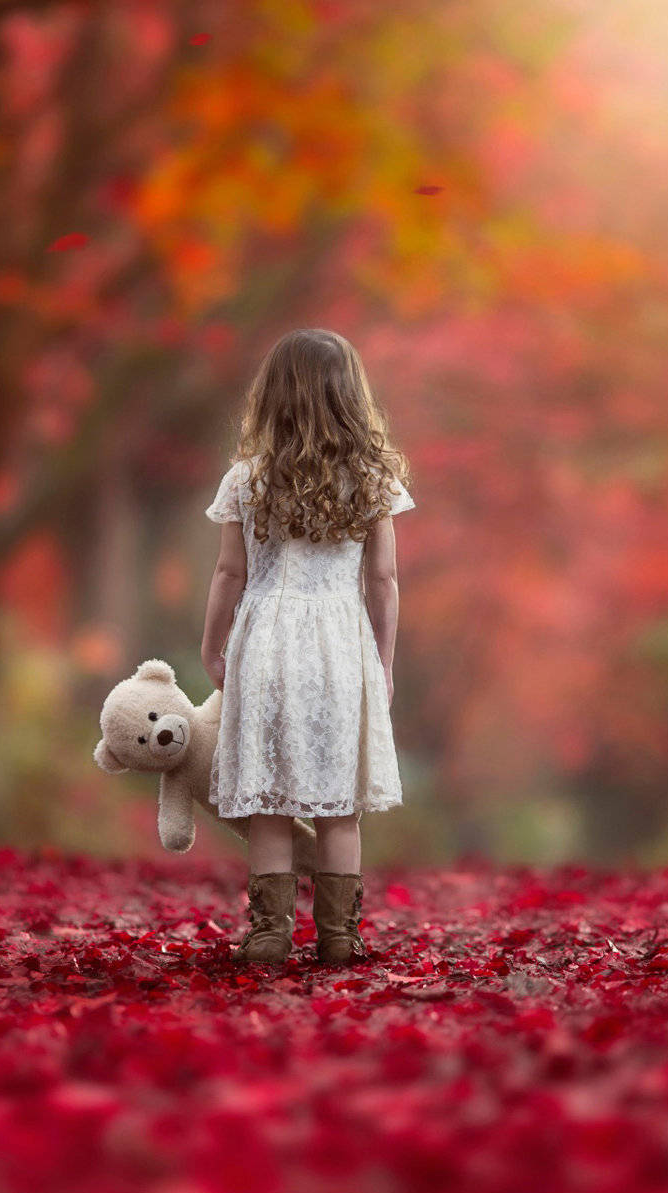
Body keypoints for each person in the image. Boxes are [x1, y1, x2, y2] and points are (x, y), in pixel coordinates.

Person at [199, 327, 415, 967]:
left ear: (273, 398)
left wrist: (214, 649)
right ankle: (339, 937)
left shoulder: (247, 479)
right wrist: (385, 661)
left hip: (266, 641)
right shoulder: (372, 481)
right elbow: (383, 580)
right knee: (339, 803)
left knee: (269, 801)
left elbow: (229, 575)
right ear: (351, 395)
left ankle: (269, 936)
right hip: (340, 644)